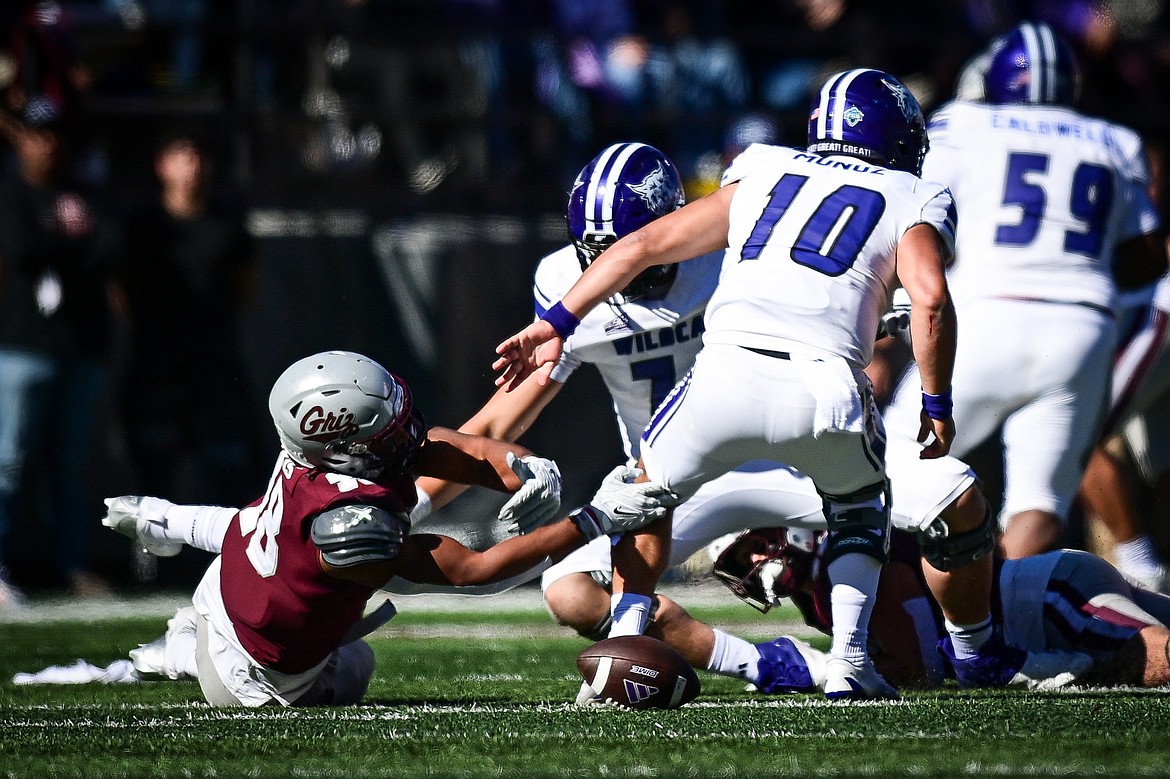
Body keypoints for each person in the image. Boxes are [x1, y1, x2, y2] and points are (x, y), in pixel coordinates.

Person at [493, 69, 960, 700]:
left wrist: (555, 322)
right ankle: (851, 665)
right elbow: (929, 301)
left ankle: (633, 636)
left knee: (642, 498)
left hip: (724, 385)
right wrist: (935, 401)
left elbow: (643, 246)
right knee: (859, 508)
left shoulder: (763, 168)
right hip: (824, 390)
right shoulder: (914, 194)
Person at [99, 350, 677, 707]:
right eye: (388, 430)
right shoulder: (349, 526)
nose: (409, 434)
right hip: (257, 674)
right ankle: (180, 653)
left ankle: (168, 528)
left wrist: (518, 466)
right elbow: (475, 572)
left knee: (273, 549)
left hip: (234, 575)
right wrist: (594, 520)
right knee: (357, 666)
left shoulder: (318, 455)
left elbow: (436, 448)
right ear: (344, 448)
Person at [881, 21, 1168, 560]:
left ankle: (858, 598)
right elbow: (1143, 258)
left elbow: (915, 217)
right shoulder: (1115, 140)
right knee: (1040, 502)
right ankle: (1001, 627)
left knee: (891, 464)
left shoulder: (964, 124)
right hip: (1083, 325)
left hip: (986, 315)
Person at [712, 525, 1170, 689]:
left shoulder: (845, 560)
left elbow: (921, 667)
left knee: (1154, 659)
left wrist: (817, 669)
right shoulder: (816, 596)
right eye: (738, 563)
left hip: (1043, 600)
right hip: (1048, 597)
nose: (752, 566)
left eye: (750, 548)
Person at [109, 130, 267, 566]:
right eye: (181, 156)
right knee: (153, 460)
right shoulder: (141, 228)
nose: (192, 166)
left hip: (215, 363)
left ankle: (230, 561)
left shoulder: (227, 225)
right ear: (161, 165)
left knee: (228, 463)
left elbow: (244, 288)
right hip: (156, 363)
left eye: (198, 156)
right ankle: (147, 562)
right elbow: (121, 290)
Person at [0, 94, 114, 603]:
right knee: (8, 461)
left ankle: (72, 566)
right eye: (35, 134)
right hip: (23, 345)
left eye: (53, 134)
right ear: (18, 138)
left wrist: (72, 240)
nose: (46, 144)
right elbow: (21, 251)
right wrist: (73, 241)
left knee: (72, 468)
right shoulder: (10, 194)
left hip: (81, 346)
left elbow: (111, 246)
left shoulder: (87, 191)